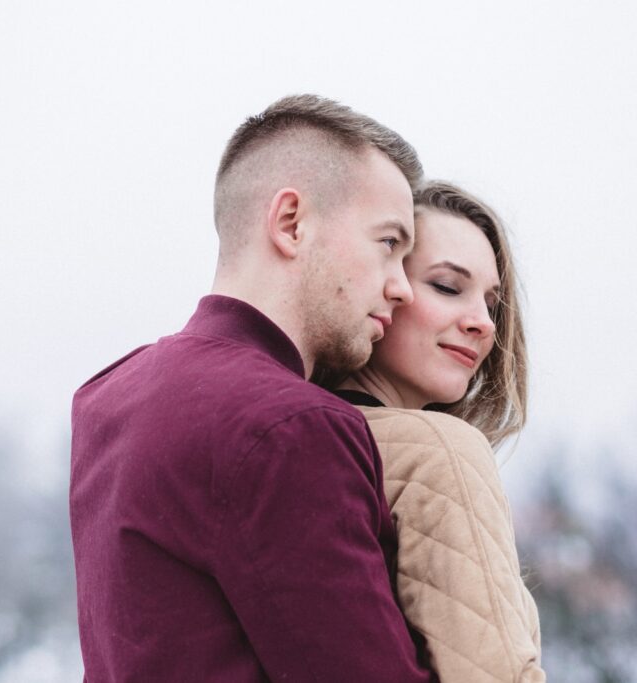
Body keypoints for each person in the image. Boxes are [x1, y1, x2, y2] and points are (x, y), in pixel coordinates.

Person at [70, 95, 435, 681]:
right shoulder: (291, 426)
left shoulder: (107, 394)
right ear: (291, 224)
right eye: (389, 244)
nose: (403, 289)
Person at [332, 180, 545, 682]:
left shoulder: (289, 432)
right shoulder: (442, 452)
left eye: (492, 304)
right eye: (448, 287)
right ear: (382, 288)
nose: (484, 324)